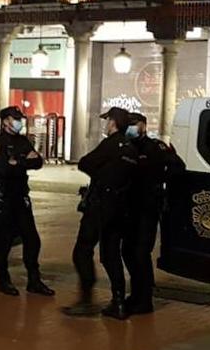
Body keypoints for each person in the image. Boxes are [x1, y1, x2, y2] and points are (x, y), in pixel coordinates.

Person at [67, 107, 139, 320]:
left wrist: (101, 176)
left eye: (107, 120)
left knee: (82, 250)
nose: (106, 124)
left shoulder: (110, 144)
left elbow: (85, 163)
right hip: (120, 208)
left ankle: (86, 299)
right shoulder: (131, 148)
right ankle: (118, 302)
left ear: (113, 122)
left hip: (100, 206)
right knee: (110, 255)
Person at [123, 113, 185, 315]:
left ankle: (144, 299)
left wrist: (158, 182)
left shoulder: (155, 147)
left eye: (133, 124)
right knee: (128, 251)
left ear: (142, 125)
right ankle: (136, 294)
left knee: (141, 253)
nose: (130, 128)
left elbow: (178, 167)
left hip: (148, 207)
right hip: (130, 207)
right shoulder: (127, 146)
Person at [0, 106, 53, 297]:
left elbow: (38, 162)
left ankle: (34, 280)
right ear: (6, 121)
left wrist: (18, 161)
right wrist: (23, 161)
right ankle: (3, 279)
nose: (18, 122)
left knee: (32, 239)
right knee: (4, 240)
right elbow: (3, 169)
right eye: (15, 119)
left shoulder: (22, 141)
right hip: (4, 198)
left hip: (20, 197)